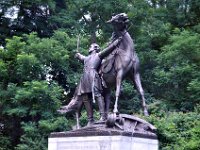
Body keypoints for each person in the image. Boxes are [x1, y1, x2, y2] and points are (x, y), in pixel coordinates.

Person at [75, 37, 122, 126]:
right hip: (84, 78)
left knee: (97, 94)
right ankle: (90, 120)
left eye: (91, 46)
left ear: (95, 48)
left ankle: (103, 116)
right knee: (85, 97)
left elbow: (108, 49)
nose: (89, 48)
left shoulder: (98, 55)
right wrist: (77, 55)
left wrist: (116, 42)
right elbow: (80, 56)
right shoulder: (86, 58)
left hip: (93, 76)